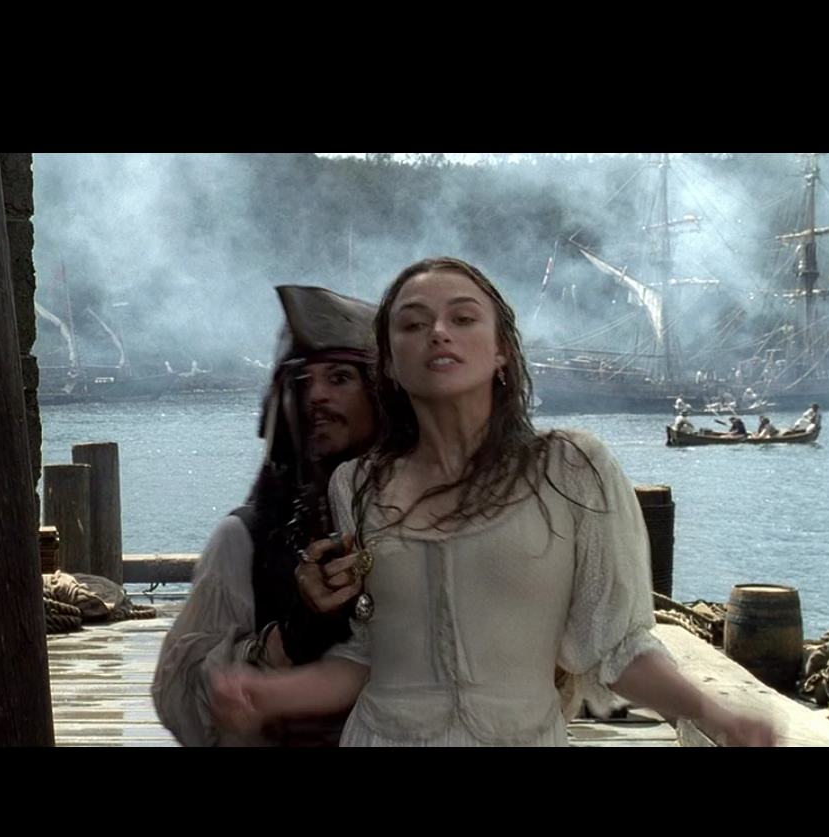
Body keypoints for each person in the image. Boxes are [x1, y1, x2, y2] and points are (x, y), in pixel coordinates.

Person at [208, 257, 776, 747]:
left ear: (502, 350)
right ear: (389, 363)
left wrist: (715, 713)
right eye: (413, 323)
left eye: (462, 318)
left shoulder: (573, 468)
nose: (438, 333)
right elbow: (369, 657)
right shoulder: (356, 484)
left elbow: (618, 649)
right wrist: (270, 694)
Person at [151, 284, 379, 746]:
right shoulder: (246, 540)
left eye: (339, 378)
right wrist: (289, 641)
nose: (316, 396)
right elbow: (182, 700)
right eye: (302, 382)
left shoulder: (426, 518)